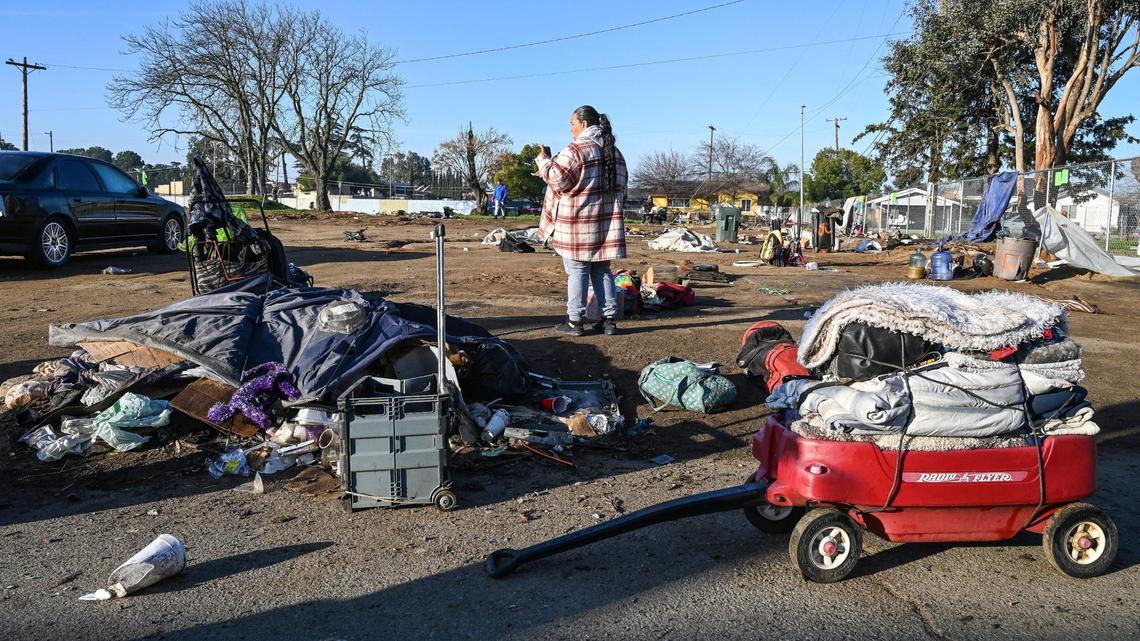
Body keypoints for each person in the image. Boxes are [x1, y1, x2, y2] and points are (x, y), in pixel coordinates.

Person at [537, 105, 627, 336]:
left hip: (577, 223)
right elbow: (623, 188)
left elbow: (558, 181)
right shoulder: (615, 153)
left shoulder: (576, 149)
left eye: (572, 124)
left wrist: (544, 162)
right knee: (603, 270)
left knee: (577, 271)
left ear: (584, 124)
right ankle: (609, 321)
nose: (571, 129)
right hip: (605, 225)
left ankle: (575, 321)